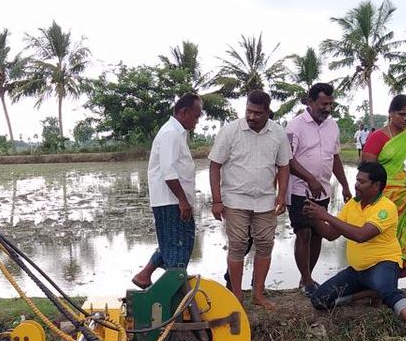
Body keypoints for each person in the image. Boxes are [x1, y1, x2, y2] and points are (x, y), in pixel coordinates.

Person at [304, 161, 406, 341]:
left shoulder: (386, 207)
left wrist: (326, 215)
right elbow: (330, 234)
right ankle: (368, 293)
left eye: (362, 181)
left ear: (376, 186)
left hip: (382, 264)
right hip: (357, 270)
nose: (356, 185)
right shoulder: (352, 205)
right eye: (356, 180)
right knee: (319, 299)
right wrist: (314, 217)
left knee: (389, 293)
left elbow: (361, 236)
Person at [209, 90, 291, 309]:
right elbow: (215, 165)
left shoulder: (278, 133)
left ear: (267, 112)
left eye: (257, 113)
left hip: (266, 200)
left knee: (265, 244)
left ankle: (258, 294)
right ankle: (236, 297)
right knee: (237, 246)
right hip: (235, 199)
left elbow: (284, 165)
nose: (252, 116)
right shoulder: (230, 131)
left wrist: (281, 195)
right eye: (248, 111)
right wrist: (216, 200)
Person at [286, 83, 353, 296]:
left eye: (331, 104)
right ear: (310, 101)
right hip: (299, 190)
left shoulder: (332, 126)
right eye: (324, 104)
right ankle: (306, 280)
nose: (328, 108)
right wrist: (309, 179)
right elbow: (287, 159)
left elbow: (334, 158)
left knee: (317, 234)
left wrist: (344, 185)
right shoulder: (294, 126)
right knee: (303, 232)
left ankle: (307, 276)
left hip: (323, 190)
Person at [133, 93, 203, 289]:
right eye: (196, 116)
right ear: (184, 112)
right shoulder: (171, 133)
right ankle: (174, 295)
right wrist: (182, 200)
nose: (197, 121)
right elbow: (168, 172)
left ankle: (145, 275)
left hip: (171, 200)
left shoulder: (176, 132)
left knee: (175, 244)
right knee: (178, 249)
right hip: (171, 201)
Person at [361, 94, 406, 274]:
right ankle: (372, 284)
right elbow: (367, 170)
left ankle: (390, 282)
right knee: (380, 239)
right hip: (382, 197)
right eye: (401, 114)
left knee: (400, 242)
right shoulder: (377, 137)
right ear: (390, 113)